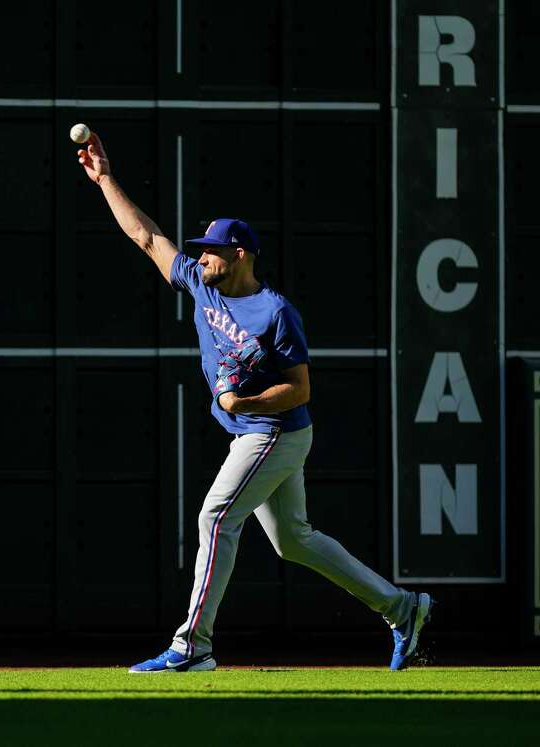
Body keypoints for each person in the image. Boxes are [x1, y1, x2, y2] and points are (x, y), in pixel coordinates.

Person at [75, 132, 433, 672]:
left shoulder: (275, 312)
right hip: (255, 431)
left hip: (275, 430)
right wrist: (105, 179)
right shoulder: (202, 285)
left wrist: (245, 403)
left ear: (239, 254)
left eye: (211, 250)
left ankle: (191, 647)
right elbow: (147, 238)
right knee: (295, 541)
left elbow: (301, 388)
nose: (201, 257)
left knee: (216, 517)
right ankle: (403, 608)